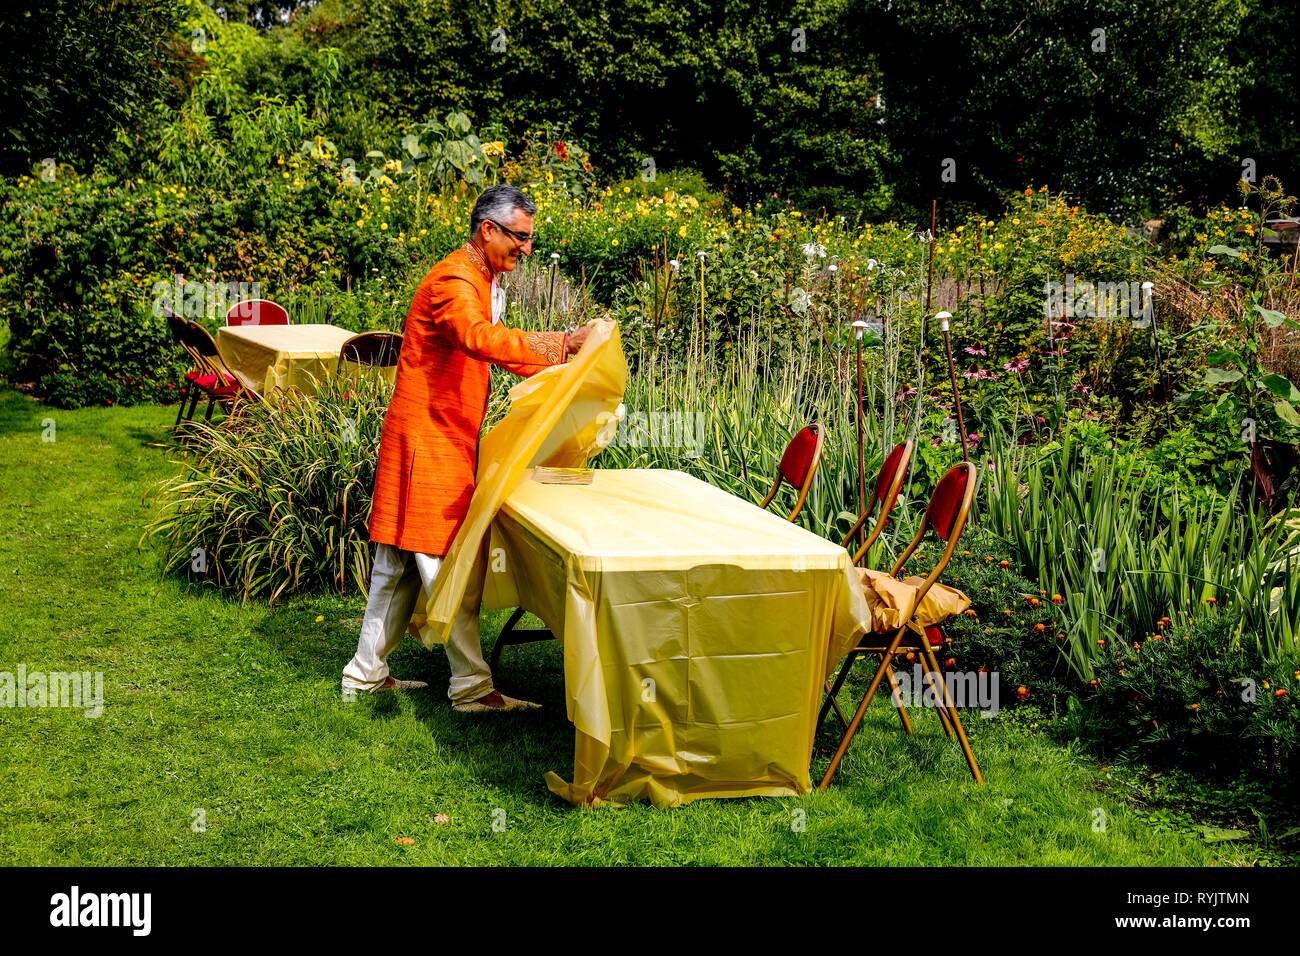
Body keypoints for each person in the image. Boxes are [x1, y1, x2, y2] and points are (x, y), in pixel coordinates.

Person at [342, 184, 594, 712]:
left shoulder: (478, 276)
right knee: (446, 565)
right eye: (520, 238)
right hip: (429, 443)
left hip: (428, 437)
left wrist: (566, 361)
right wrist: (562, 342)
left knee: (397, 565)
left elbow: (497, 347)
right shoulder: (456, 280)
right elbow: (480, 339)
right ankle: (472, 689)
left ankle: (365, 675)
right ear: (489, 230)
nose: (527, 249)